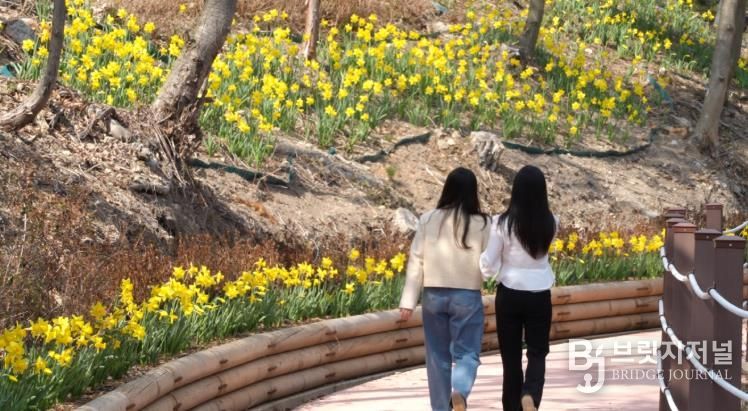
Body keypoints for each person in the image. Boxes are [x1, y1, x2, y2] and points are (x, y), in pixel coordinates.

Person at [399, 167, 491, 411]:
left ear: (447, 189)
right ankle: (459, 390)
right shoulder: (483, 223)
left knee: (437, 357)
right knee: (467, 354)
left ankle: (441, 408)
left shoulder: (428, 219)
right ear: (473, 192)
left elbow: (416, 260)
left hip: (433, 295)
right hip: (467, 295)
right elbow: (489, 260)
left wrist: (408, 301)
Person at [480, 165, 557, 411]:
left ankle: (512, 406)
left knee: (510, 358)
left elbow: (488, 262)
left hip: (509, 293)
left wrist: (486, 270)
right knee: (537, 352)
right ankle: (531, 395)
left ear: (515, 191)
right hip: (540, 293)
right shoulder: (552, 222)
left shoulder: (501, 223)